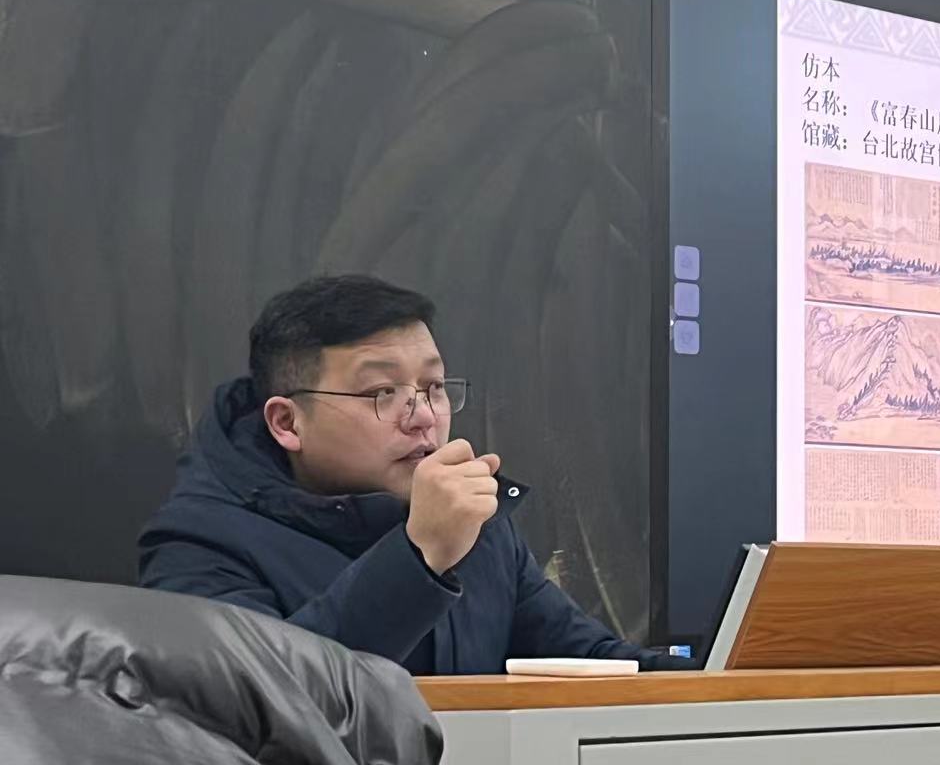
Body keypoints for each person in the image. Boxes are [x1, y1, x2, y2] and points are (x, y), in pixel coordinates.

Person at [139, 275, 684, 674]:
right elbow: (260, 704)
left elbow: (590, 663)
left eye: (434, 387)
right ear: (287, 422)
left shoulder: (480, 527)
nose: (423, 416)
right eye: (382, 392)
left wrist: (722, 671)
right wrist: (420, 554)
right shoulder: (199, 545)